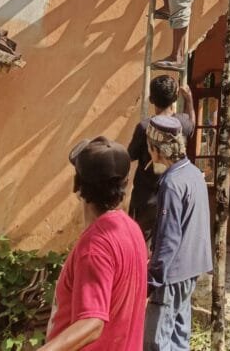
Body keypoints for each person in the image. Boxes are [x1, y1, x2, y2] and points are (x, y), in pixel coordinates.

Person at [40, 137, 147, 351]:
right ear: (125, 184)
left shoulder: (94, 247)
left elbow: (92, 323)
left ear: (77, 186)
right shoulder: (131, 229)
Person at [144, 115, 212, 351]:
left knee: (157, 342)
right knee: (179, 338)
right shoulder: (194, 173)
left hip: (171, 275)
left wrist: (151, 279)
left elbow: (168, 238)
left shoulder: (171, 183)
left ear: (156, 149)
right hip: (192, 269)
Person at [128, 75, 195, 245]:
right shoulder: (182, 124)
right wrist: (189, 100)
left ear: (151, 99)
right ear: (175, 98)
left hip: (146, 199)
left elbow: (131, 155)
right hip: (173, 197)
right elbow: (192, 124)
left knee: (139, 245)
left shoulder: (145, 127)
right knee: (168, 244)